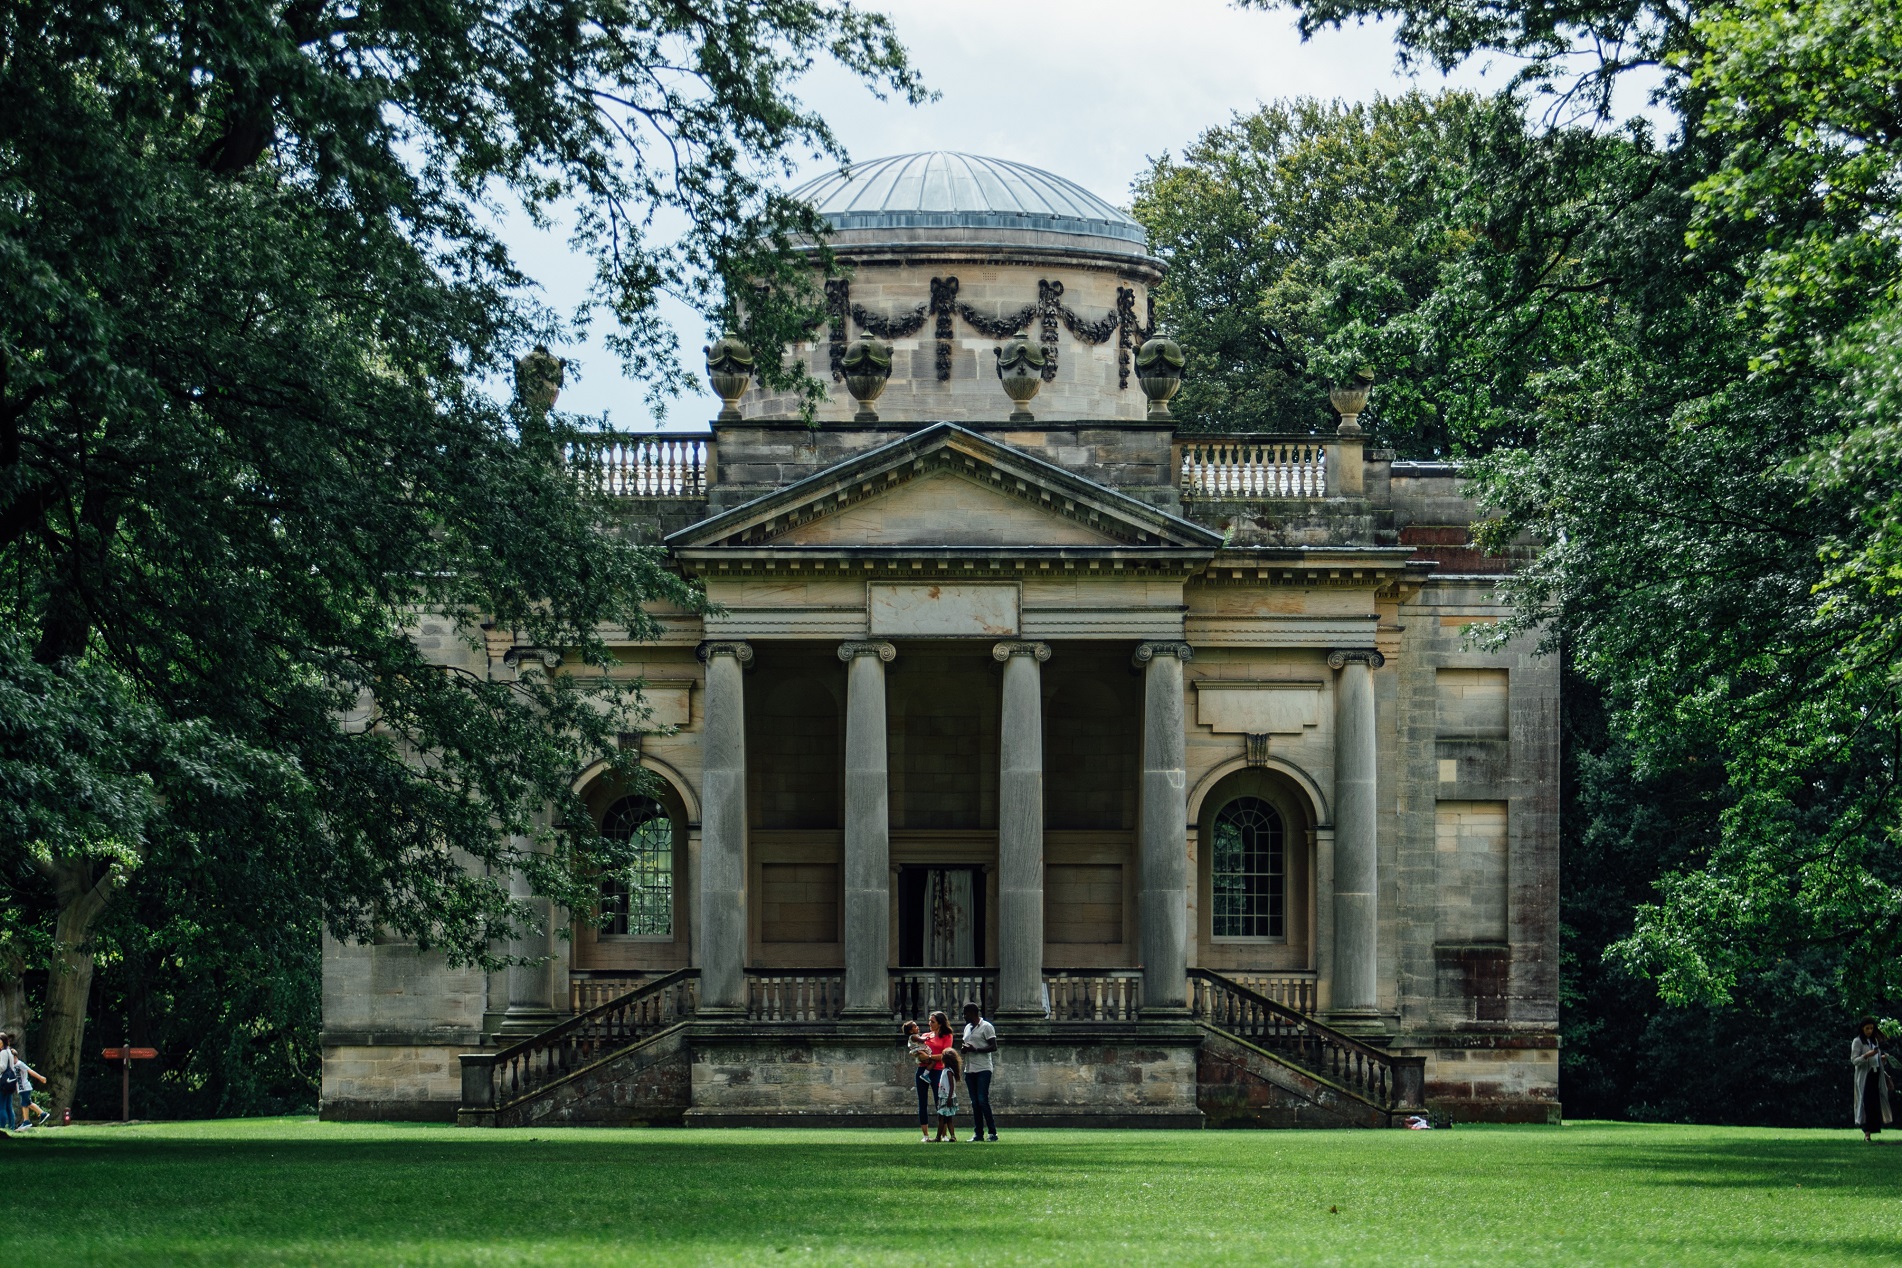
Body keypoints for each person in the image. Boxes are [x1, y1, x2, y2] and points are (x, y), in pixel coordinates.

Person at [958, 1000, 998, 1142]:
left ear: (972, 1013)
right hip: (970, 1069)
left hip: (983, 1068)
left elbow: (993, 1047)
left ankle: (992, 1132)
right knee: (974, 1103)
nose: (963, 1016)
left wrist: (976, 1049)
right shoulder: (967, 1028)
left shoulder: (987, 1027)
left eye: (965, 1013)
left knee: (982, 1100)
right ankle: (978, 1133)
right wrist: (964, 1049)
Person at [1853, 1018, 1894, 1142]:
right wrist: (1866, 1056)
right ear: (1862, 1029)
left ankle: (1871, 1131)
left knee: (1875, 1105)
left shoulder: (1874, 1041)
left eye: (1871, 1028)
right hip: (1865, 1078)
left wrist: (1881, 1059)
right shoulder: (1857, 1042)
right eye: (1867, 1028)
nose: (1870, 1031)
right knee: (1866, 1105)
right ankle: (1867, 1134)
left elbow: (1875, 1061)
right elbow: (1854, 1060)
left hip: (1876, 1076)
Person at [903, 1020, 937, 1142]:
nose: (918, 1028)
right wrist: (928, 1039)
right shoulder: (916, 1037)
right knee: (923, 1103)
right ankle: (927, 1135)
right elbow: (921, 1041)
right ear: (911, 1030)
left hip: (927, 1064)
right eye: (915, 1026)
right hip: (921, 1058)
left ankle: (940, 1135)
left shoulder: (916, 1036)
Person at [933, 1048, 962, 1142]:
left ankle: (938, 1137)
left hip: (946, 1097)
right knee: (948, 1118)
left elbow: (951, 1085)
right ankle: (953, 1136)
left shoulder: (948, 1071)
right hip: (945, 1097)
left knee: (941, 1118)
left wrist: (949, 1097)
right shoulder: (946, 1070)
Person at [0, 1033, 21, 1132]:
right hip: (10, 1081)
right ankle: (12, 1126)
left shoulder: (3, 1052)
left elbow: (2, 1067)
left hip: (3, 1082)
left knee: (2, 1106)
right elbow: (12, 1067)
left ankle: (2, 1126)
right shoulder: (9, 1052)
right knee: (8, 1105)